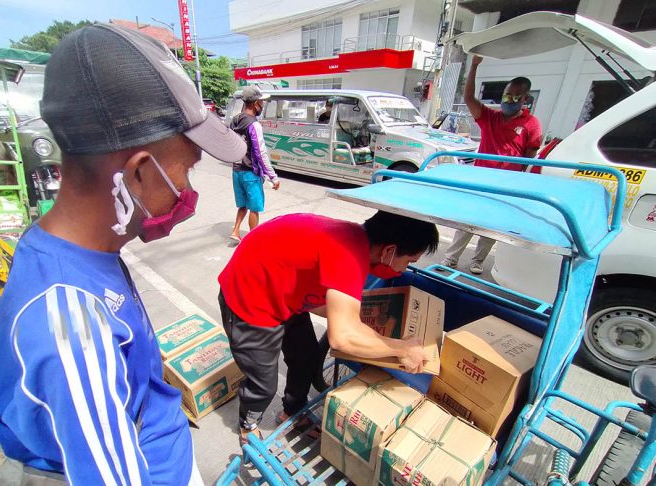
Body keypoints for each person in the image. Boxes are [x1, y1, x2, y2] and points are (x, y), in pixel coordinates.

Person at [0, 24, 246, 485]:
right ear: (137, 173)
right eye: (186, 171)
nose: (188, 191)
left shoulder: (75, 245)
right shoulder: (73, 329)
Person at [218, 211, 438, 444]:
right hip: (250, 300)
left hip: (286, 293)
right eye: (409, 261)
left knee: (306, 357)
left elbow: (330, 309)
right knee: (263, 384)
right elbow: (342, 339)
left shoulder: (357, 241)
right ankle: (248, 424)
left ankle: (292, 411)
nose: (404, 269)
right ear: (389, 251)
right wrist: (401, 349)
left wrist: (367, 331)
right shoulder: (349, 256)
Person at [443, 55, 542, 275]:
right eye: (507, 94)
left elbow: (530, 155)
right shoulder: (490, 117)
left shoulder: (531, 124)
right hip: (481, 179)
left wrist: (519, 183)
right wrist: (474, 66)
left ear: (525, 98)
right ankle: (451, 258)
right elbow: (468, 97)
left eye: (516, 96)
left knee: (490, 225)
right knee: (467, 220)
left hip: (506, 184)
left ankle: (477, 261)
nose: (510, 99)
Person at [229, 86, 280, 243]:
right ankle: (253, 241)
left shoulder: (235, 120)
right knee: (254, 208)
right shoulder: (254, 125)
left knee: (242, 205)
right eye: (262, 102)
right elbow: (261, 152)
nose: (263, 105)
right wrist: (273, 176)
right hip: (250, 173)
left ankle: (235, 231)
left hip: (236, 171)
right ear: (255, 103)